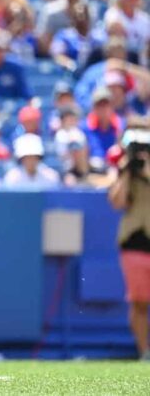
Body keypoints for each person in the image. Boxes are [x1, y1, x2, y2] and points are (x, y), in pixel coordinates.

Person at [108, 117, 150, 361]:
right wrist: (126, 171)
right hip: (134, 241)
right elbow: (117, 202)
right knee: (140, 301)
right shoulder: (126, 167)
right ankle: (144, 351)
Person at [81, 87, 122, 174]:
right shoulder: (84, 128)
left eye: (106, 104)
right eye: (99, 105)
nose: (103, 109)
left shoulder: (121, 125)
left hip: (116, 171)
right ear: (93, 108)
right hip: (92, 172)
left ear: (112, 106)